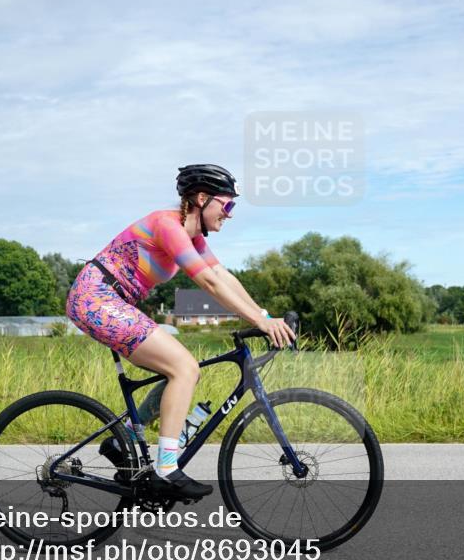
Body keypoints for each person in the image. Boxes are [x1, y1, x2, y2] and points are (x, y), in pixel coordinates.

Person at [65, 164, 296, 499]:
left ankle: (124, 439)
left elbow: (224, 275)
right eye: (226, 205)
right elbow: (208, 282)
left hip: (115, 300)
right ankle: (166, 469)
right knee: (183, 367)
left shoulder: (193, 237)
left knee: (181, 370)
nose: (229, 214)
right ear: (202, 199)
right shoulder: (167, 225)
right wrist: (261, 324)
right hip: (94, 298)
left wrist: (264, 316)